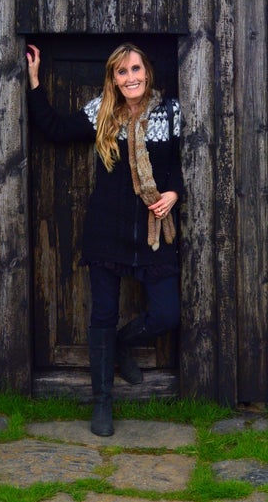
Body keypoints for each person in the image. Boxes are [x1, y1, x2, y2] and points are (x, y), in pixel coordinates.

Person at [26, 42, 182, 436]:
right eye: (121, 72)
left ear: (147, 71)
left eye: (135, 69)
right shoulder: (102, 113)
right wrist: (33, 82)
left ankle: (121, 345)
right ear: (113, 77)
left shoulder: (169, 111)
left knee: (166, 314)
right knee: (103, 314)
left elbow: (178, 164)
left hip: (153, 234)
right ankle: (102, 403)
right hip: (106, 234)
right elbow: (55, 129)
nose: (130, 78)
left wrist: (174, 193)